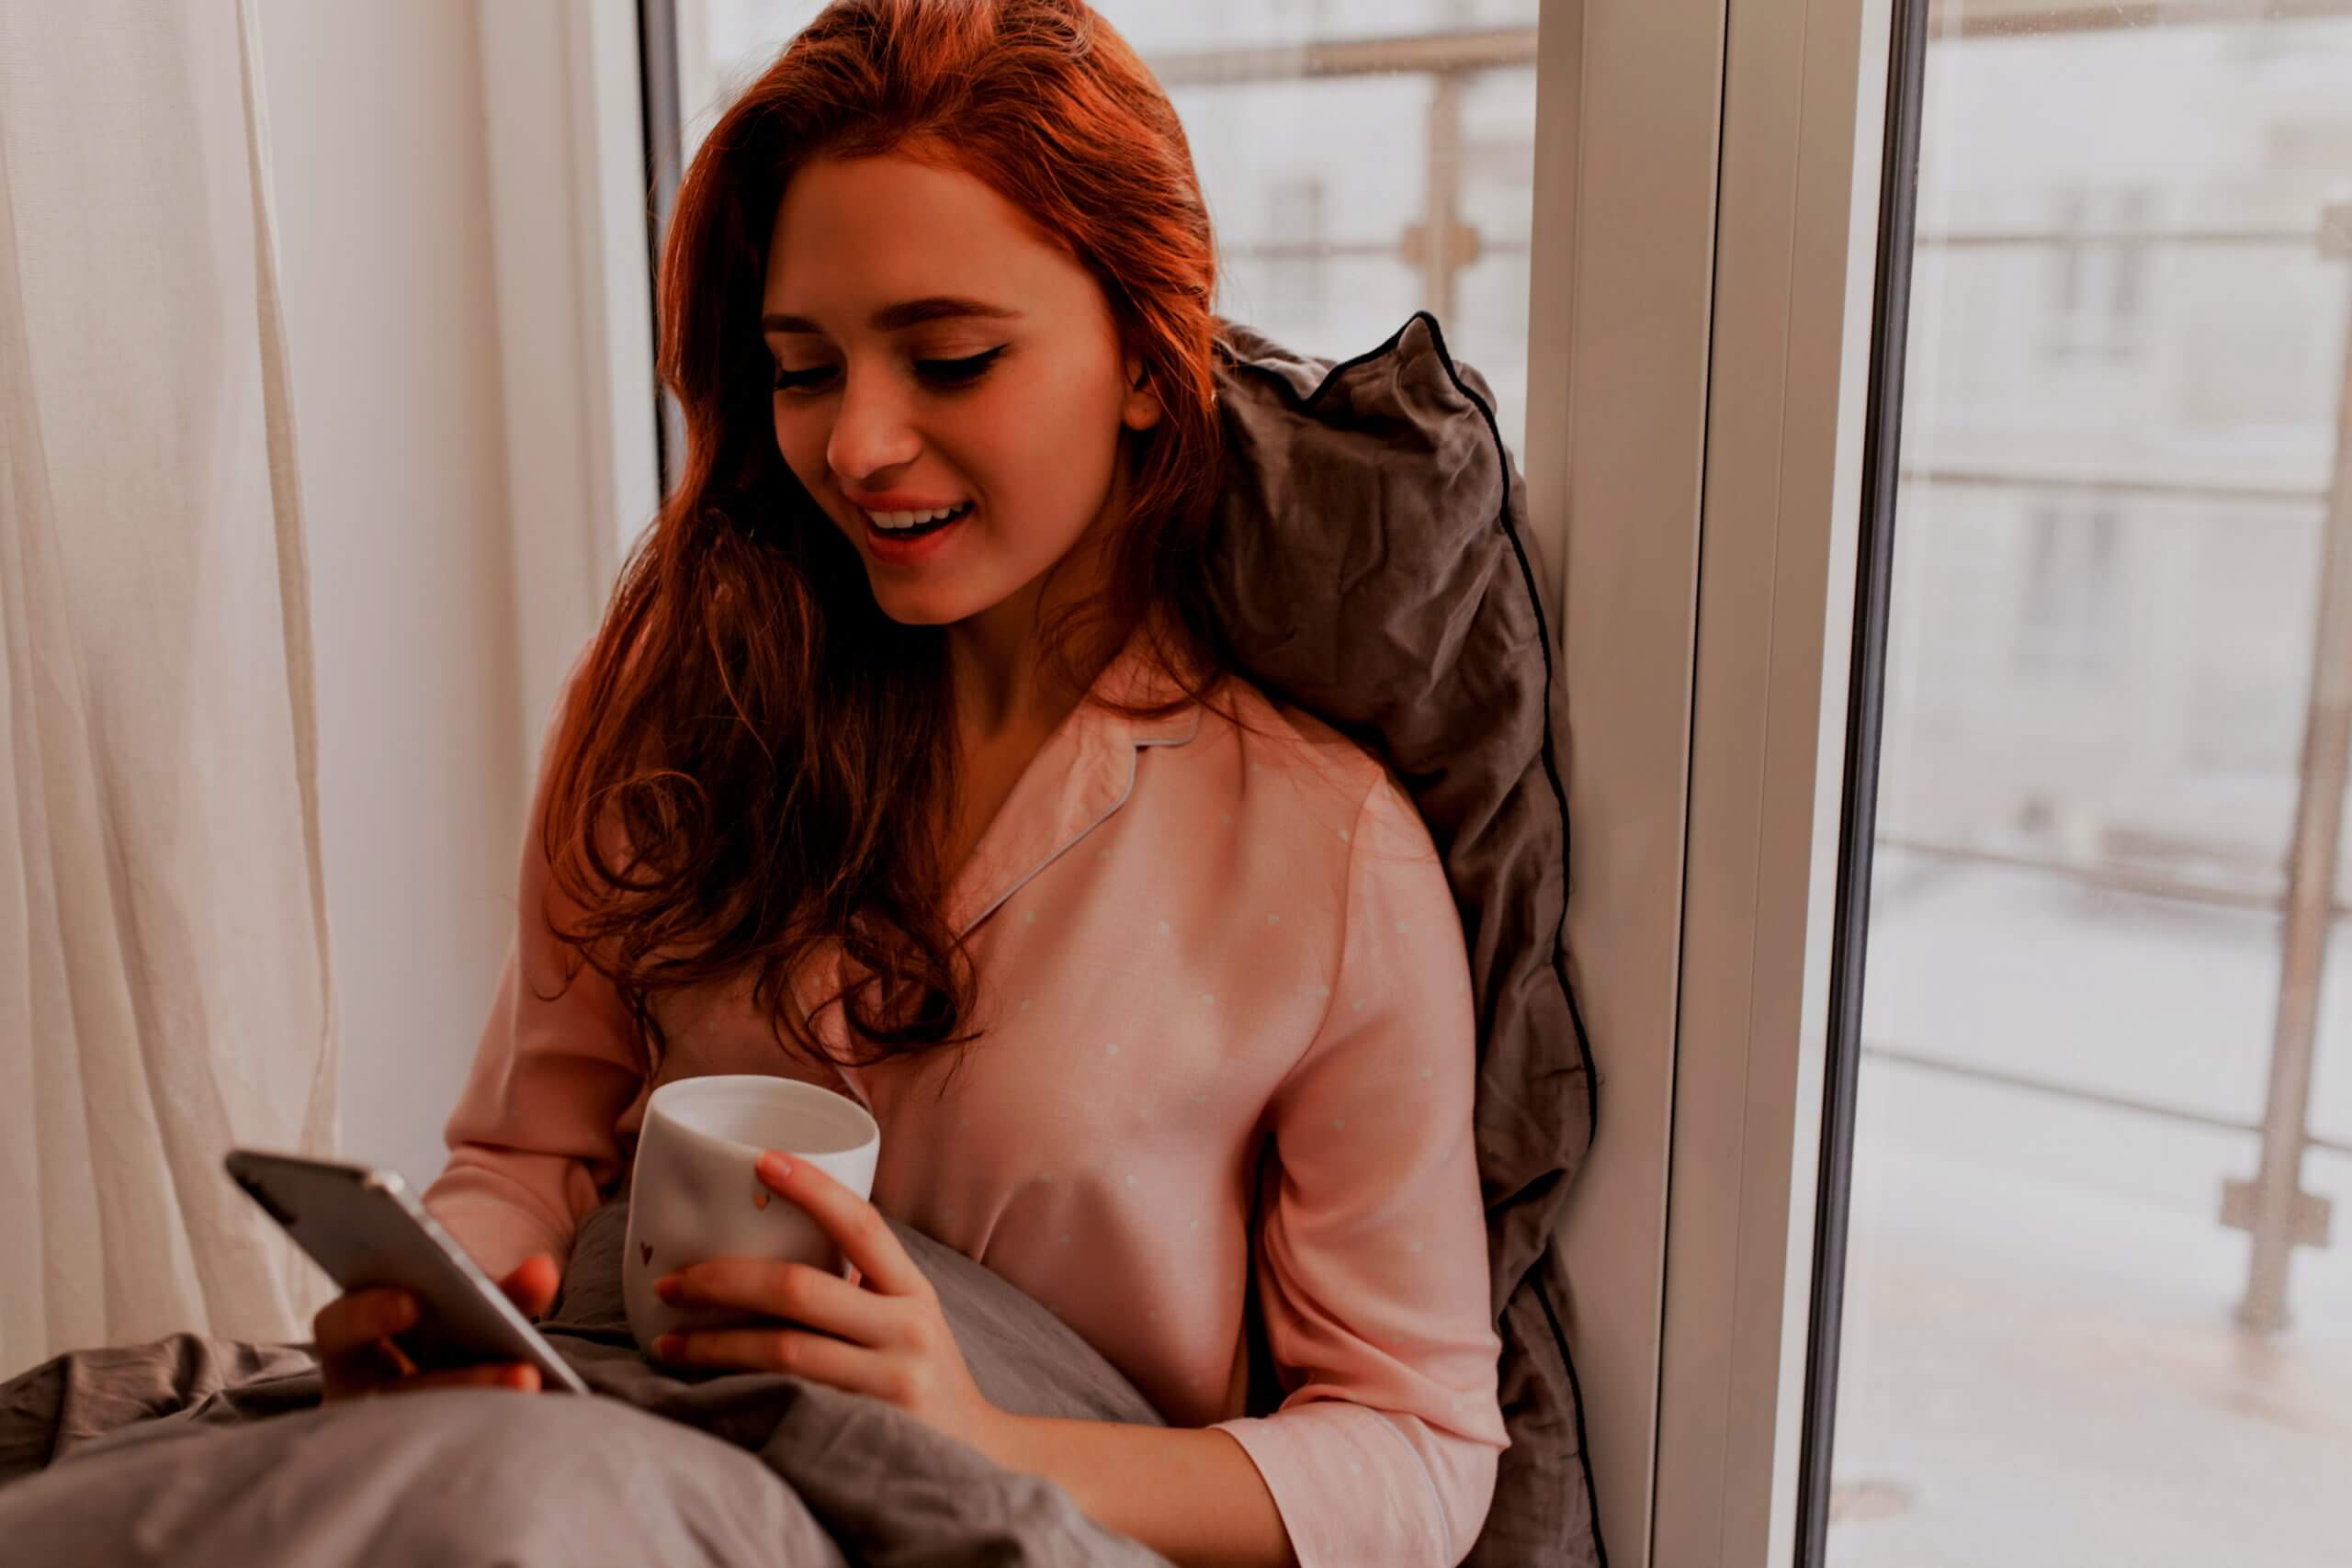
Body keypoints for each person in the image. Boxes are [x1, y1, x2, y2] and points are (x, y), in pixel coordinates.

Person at [309, 2, 1507, 1563]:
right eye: (803, 372)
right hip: (602, 1472)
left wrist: (991, 1447)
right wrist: (445, 1316)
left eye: (950, 358)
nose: (859, 443)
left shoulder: (1325, 857)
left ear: (1149, 362)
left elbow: (1419, 1451)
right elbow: (527, 1160)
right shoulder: (675, 714)